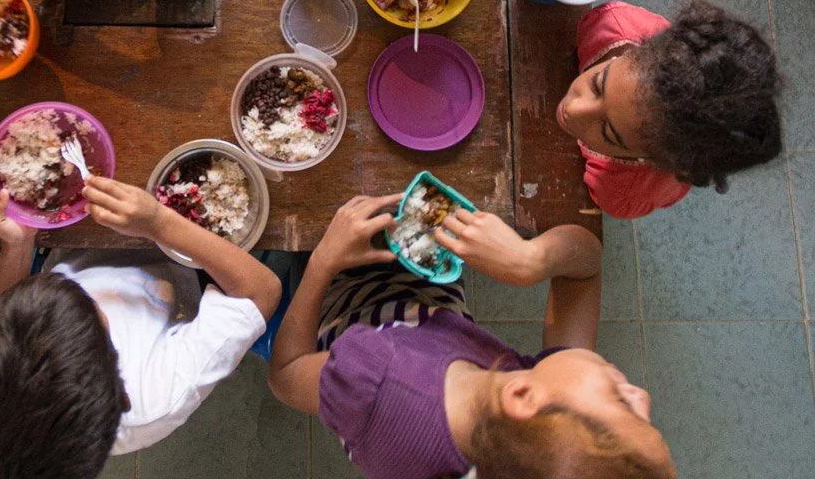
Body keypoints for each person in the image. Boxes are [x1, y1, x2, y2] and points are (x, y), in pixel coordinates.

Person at [267, 195, 676, 479]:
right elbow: (585, 266)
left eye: (623, 403)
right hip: (430, 305)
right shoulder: (528, 436)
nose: (643, 394)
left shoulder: (376, 381)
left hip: (343, 305)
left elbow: (286, 375)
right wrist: (528, 261)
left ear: (522, 398)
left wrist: (323, 261)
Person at [0, 177, 281, 478]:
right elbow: (260, 292)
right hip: (182, 263)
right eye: (91, 306)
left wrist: (19, 247)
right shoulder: (158, 397)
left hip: (81, 239)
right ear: (113, 364)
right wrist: (158, 223)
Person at [557, 0, 782, 219]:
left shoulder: (622, 192)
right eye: (597, 84)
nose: (574, 109)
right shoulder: (612, 23)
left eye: (607, 131)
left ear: (648, 160)